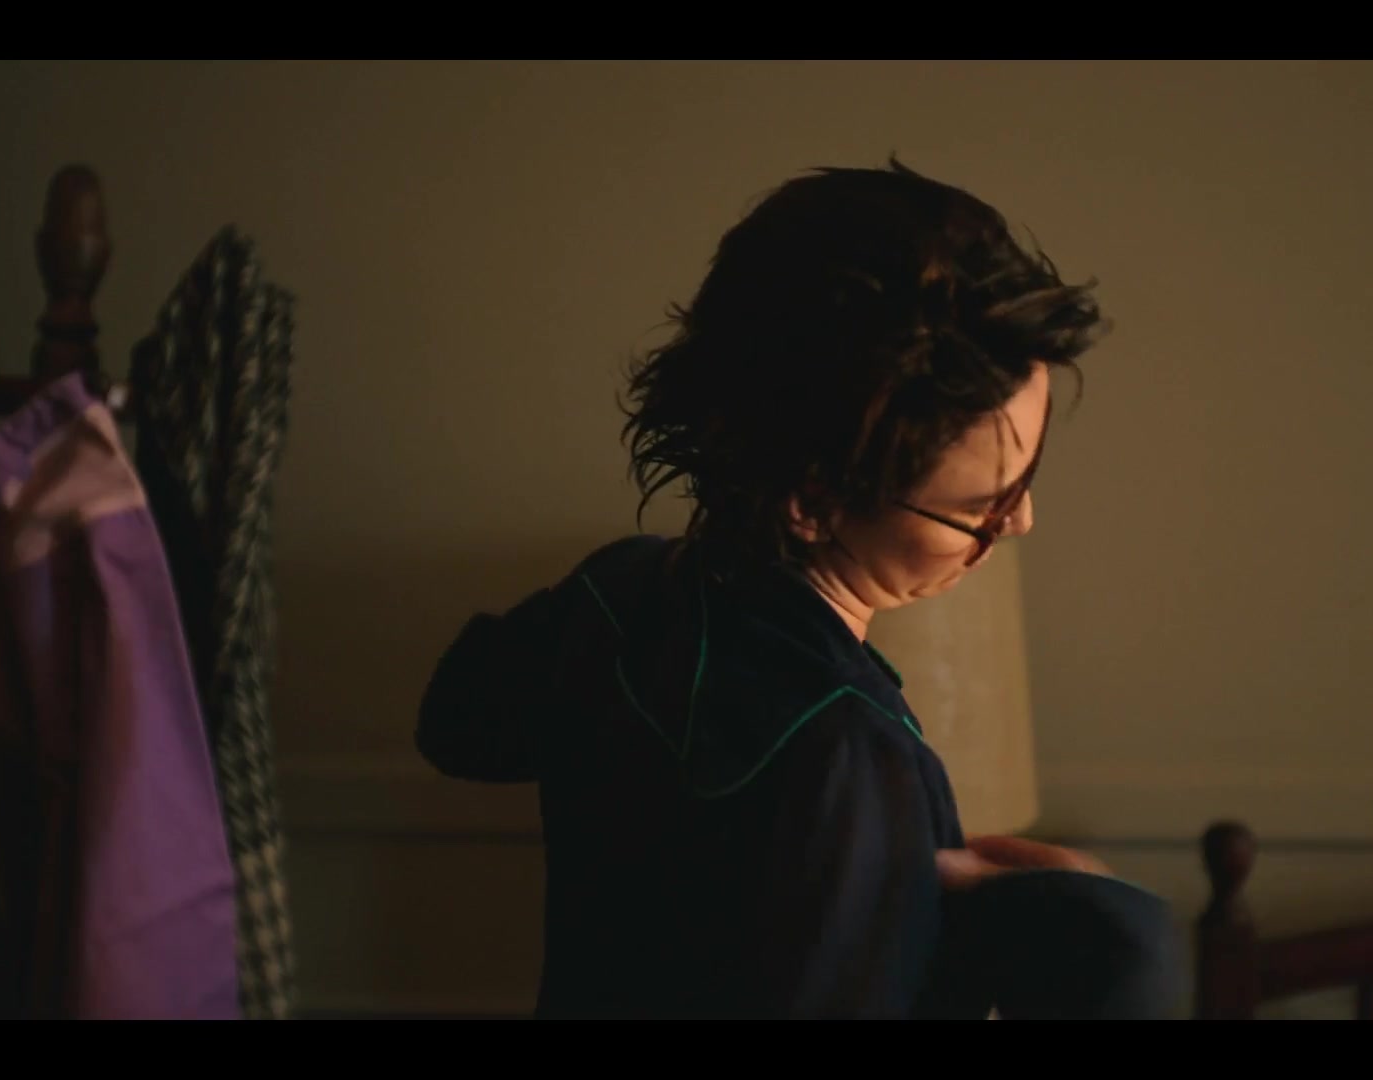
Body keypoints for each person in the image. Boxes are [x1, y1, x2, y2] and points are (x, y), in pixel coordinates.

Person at [416, 158, 1182, 1019]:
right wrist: (1116, 934)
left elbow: (457, 724)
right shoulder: (848, 754)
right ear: (814, 501)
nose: (1021, 521)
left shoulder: (620, 591)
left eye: (1027, 477)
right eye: (983, 506)